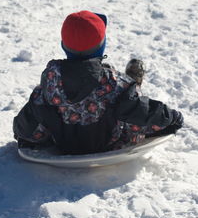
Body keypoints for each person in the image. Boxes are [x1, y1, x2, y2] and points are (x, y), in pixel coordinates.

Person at [13, 10, 184, 155]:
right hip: (112, 143)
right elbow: (145, 113)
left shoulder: (49, 83)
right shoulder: (115, 85)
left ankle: (132, 86)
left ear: (63, 45)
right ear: (102, 47)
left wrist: (24, 137)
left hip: (65, 144)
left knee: (41, 102)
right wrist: (173, 118)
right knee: (130, 104)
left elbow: (28, 123)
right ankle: (135, 85)